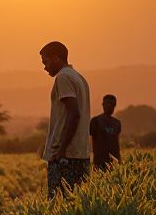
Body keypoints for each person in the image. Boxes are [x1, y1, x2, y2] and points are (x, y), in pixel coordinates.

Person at [39, 40, 91, 197]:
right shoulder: (78, 77)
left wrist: (61, 149)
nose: (45, 67)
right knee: (77, 205)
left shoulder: (63, 78)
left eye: (46, 62)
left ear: (56, 58)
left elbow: (74, 113)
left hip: (65, 156)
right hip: (80, 154)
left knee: (58, 205)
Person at [90, 93, 122, 170]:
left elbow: (116, 142)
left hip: (114, 160)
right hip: (99, 161)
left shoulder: (117, 123)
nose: (110, 106)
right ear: (103, 105)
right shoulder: (96, 121)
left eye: (112, 104)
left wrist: (119, 159)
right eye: (107, 104)